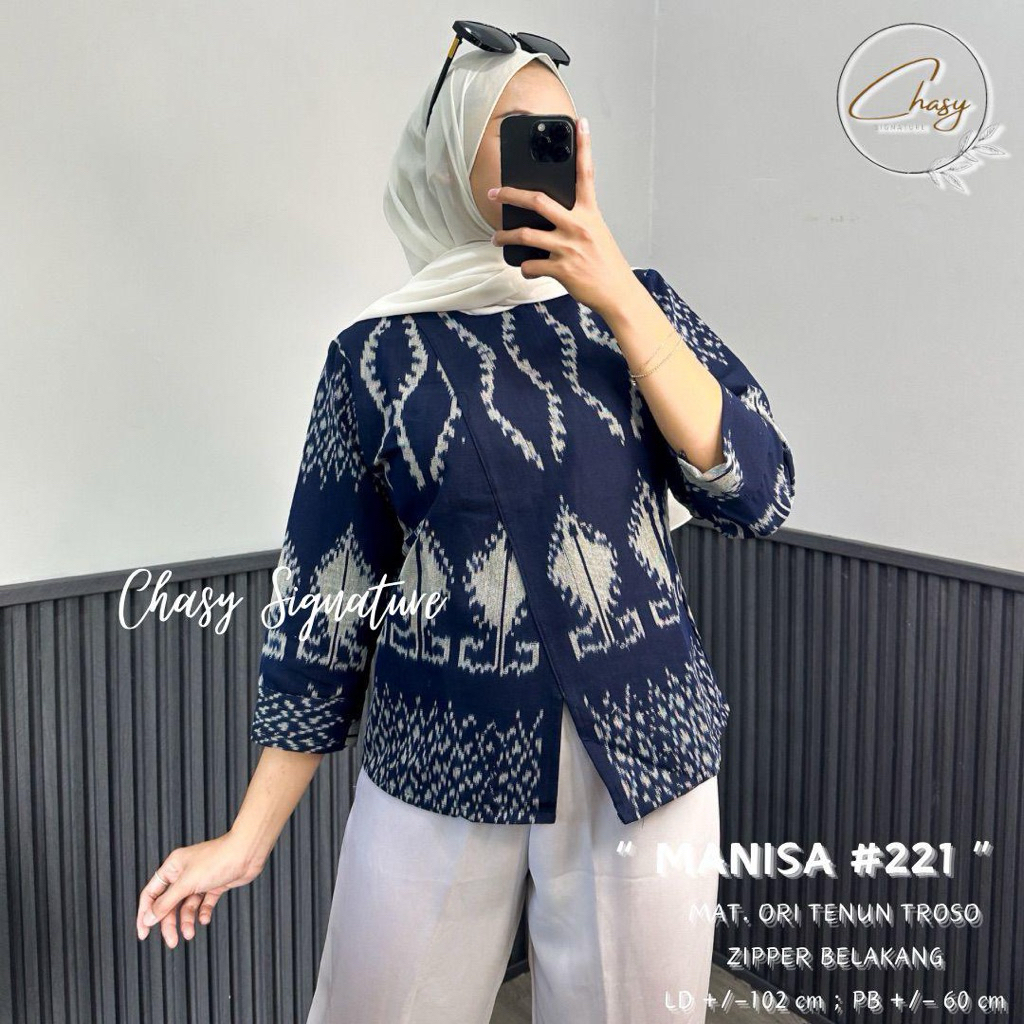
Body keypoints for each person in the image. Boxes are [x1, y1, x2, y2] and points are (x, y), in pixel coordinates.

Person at [136, 41, 795, 1024]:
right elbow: (325, 605)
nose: (555, 150)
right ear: (450, 161)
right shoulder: (374, 356)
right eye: (523, 133)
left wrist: (618, 295)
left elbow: (760, 489)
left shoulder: (639, 306)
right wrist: (247, 836)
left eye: (565, 131)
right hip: (439, 740)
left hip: (644, 737)